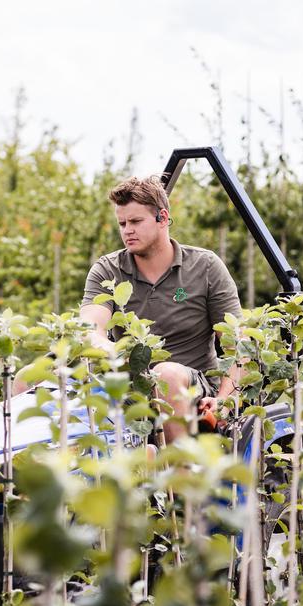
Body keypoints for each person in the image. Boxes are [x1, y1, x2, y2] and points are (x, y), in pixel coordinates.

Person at [80, 175, 245, 442]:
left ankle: (182, 481)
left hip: (193, 386)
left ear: (163, 218)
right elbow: (90, 328)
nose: (127, 230)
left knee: (164, 375)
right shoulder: (107, 269)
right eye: (122, 223)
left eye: (135, 221)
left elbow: (238, 346)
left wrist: (225, 400)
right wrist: (108, 350)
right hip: (131, 385)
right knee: (28, 379)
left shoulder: (205, 267)